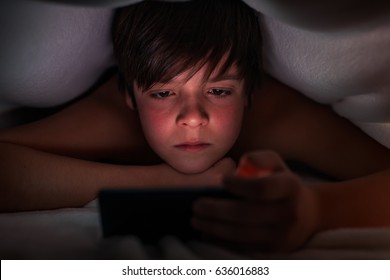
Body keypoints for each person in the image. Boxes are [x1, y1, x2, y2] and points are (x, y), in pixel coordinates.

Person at [0, 0, 389, 253]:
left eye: (218, 90)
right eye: (164, 94)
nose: (192, 116)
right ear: (131, 97)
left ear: (250, 92)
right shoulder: (120, 116)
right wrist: (162, 181)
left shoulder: (275, 116)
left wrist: (317, 209)